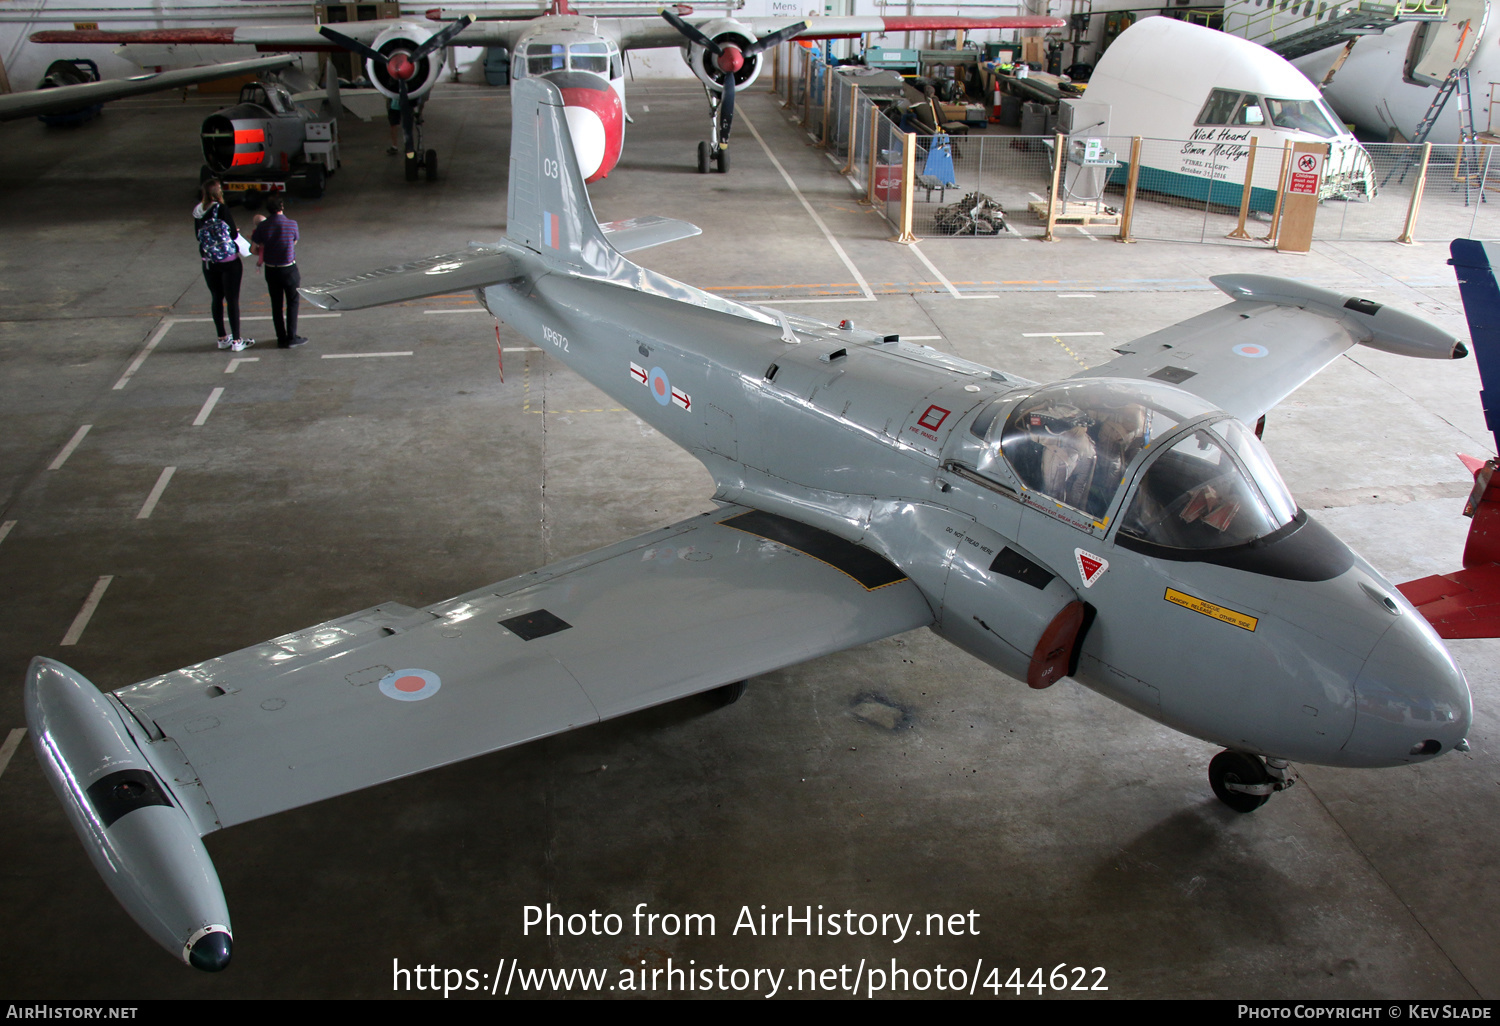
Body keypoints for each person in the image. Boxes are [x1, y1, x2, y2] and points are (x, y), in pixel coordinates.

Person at [193, 180, 253, 352]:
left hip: (209, 262)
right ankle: (237, 340)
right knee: (232, 300)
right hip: (228, 261)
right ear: (218, 193)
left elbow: (198, 236)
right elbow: (233, 233)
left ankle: (222, 338)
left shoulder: (197, 211)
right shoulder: (221, 209)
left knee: (216, 298)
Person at [250, 197, 307, 348]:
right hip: (289, 269)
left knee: (276, 304)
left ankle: (281, 338)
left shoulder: (262, 227)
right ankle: (292, 336)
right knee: (292, 302)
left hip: (271, 270)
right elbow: (294, 242)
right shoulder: (292, 224)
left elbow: (253, 249)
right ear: (282, 207)